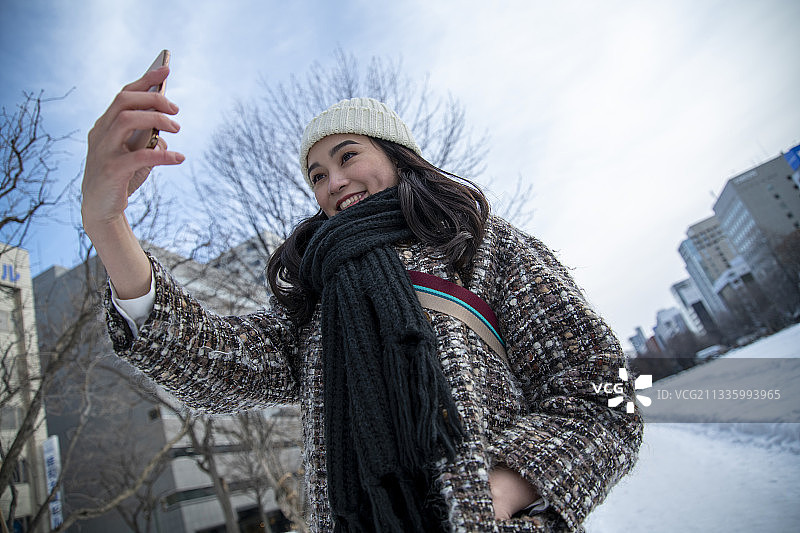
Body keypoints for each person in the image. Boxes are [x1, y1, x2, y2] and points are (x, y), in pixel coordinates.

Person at [82, 66, 643, 533]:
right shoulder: (318, 299)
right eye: (317, 175)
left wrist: (495, 496)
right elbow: (212, 359)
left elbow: (603, 395)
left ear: (398, 156)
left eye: (348, 156)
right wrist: (108, 223)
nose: (333, 182)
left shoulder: (483, 246)